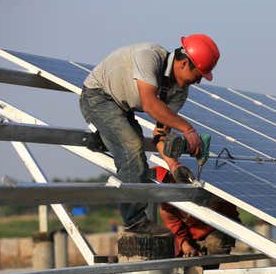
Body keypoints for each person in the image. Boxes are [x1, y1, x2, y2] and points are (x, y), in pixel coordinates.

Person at [79, 34, 220, 233]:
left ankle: (103, 137)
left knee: (135, 152)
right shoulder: (150, 57)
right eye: (198, 74)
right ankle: (134, 221)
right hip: (98, 97)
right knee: (131, 149)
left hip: (122, 108)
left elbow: (160, 132)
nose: (198, 81)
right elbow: (150, 104)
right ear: (184, 63)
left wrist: (173, 164)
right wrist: (188, 129)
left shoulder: (179, 92)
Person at [153, 166, 237, 258]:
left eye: (169, 178)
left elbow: (229, 214)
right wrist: (186, 246)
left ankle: (208, 270)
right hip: (191, 236)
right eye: (164, 181)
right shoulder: (168, 206)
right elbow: (176, 229)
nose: (168, 183)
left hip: (217, 229)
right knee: (173, 250)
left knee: (215, 244)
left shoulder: (207, 187)